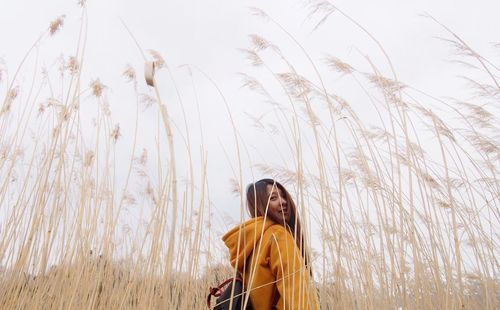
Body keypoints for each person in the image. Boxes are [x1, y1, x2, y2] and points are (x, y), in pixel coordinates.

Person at [222, 179, 318, 309]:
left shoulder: (252, 244)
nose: (283, 202)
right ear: (260, 204)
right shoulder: (278, 235)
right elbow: (299, 293)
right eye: (273, 198)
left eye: (283, 196)